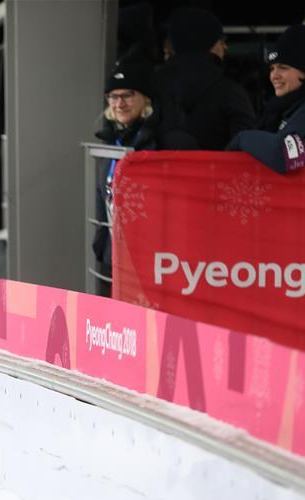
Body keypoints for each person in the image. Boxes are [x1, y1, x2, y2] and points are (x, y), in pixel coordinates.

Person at [92, 62, 163, 297]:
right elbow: (102, 193)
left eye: (127, 95)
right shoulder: (111, 142)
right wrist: (101, 245)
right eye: (112, 96)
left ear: (145, 98)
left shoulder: (160, 141)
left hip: (150, 259)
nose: (119, 103)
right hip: (116, 259)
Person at [227, 25, 305, 173]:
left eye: (283, 67)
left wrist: (242, 138)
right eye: (272, 68)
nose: (274, 76)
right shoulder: (286, 108)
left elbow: (286, 156)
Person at [153, 6, 256, 150]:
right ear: (208, 42)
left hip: (156, 172)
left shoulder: (149, 86)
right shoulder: (231, 92)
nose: (225, 47)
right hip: (216, 171)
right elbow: (247, 147)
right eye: (221, 40)